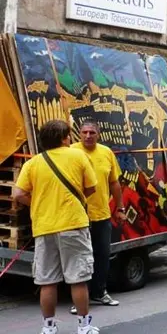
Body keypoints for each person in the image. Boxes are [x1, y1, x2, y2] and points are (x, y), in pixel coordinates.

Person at [12, 120, 100, 334]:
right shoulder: (79, 156)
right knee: (78, 279)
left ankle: (49, 328)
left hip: (44, 227)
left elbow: (17, 194)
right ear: (63, 138)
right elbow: (91, 188)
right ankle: (84, 326)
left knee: (47, 281)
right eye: (69, 136)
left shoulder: (33, 163)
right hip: (73, 224)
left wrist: (40, 203)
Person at [69, 121, 125, 314]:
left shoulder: (106, 152)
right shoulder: (71, 152)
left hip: (101, 214)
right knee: (79, 259)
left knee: (102, 256)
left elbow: (115, 183)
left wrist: (120, 207)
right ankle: (79, 299)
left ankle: (100, 292)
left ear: (98, 134)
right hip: (77, 216)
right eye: (84, 132)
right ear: (79, 134)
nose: (88, 135)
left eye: (92, 132)